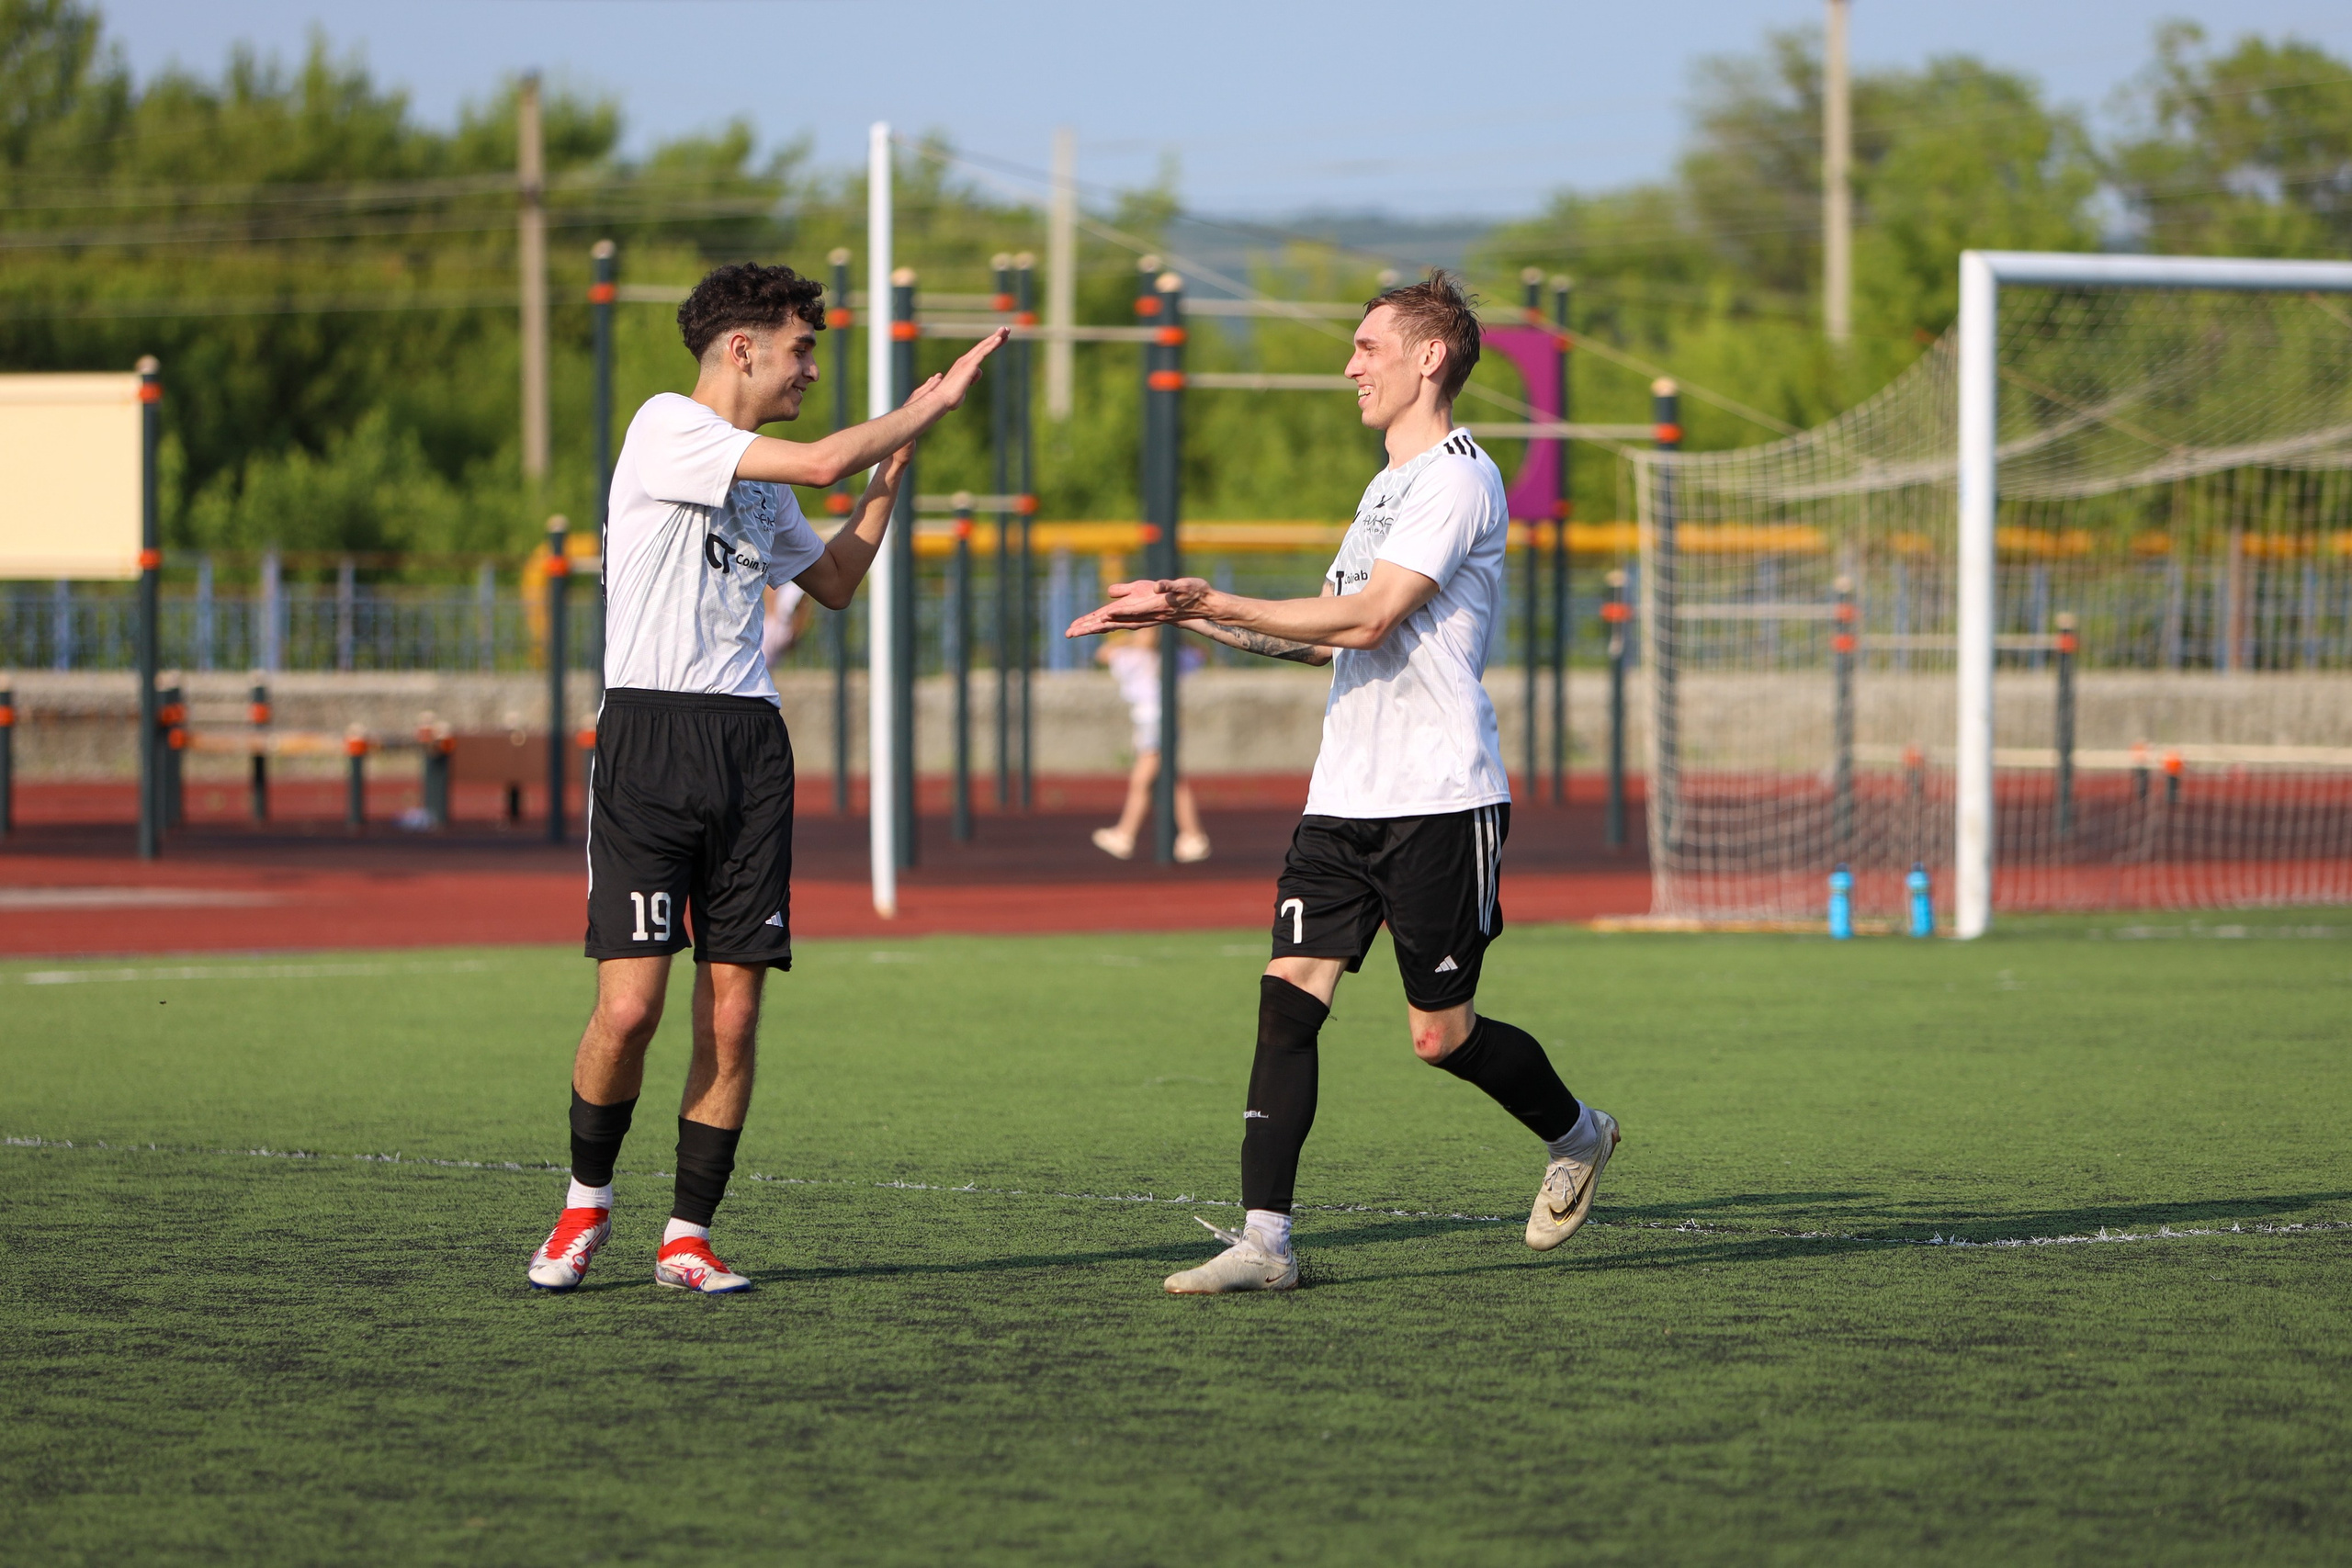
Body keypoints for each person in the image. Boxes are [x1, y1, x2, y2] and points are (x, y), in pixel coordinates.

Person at [1067, 271, 1616, 1294]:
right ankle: (1265, 1242)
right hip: (1343, 798)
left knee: (1437, 1037)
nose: (1350, 366)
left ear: (1429, 357)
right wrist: (1184, 614)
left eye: (1368, 347)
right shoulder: (1382, 489)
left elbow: (1369, 619)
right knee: (1287, 1001)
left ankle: (1579, 1134)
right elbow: (1319, 641)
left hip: (1441, 796)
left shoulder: (1458, 478)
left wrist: (1209, 593)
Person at [526, 263, 1006, 1294]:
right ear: (740, 349)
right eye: (799, 348)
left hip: (747, 747)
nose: (810, 368)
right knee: (628, 1011)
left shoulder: (758, 480)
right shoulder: (666, 425)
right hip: (652, 744)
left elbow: (831, 581)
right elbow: (829, 459)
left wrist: (891, 476)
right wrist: (924, 403)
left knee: (734, 1013)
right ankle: (583, 1206)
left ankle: (687, 1236)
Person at [1092, 624, 1209, 863]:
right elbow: (1201, 653)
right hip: (1151, 723)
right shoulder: (1147, 656)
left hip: (1153, 722)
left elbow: (1104, 653)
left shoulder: (1145, 656)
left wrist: (1133, 640)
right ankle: (1191, 835)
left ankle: (1126, 833)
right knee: (1170, 779)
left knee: (1143, 779)